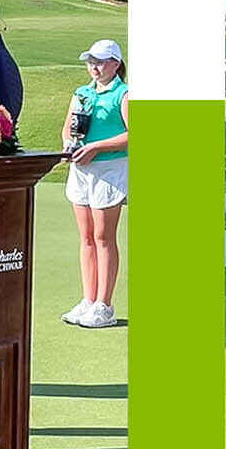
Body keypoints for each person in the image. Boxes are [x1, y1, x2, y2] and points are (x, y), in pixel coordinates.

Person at [60, 39, 128, 329]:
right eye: (90, 62)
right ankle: (88, 300)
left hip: (109, 169)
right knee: (86, 236)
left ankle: (104, 305)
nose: (94, 67)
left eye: (100, 62)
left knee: (103, 236)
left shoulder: (124, 94)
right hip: (81, 169)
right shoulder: (81, 93)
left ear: (115, 64)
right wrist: (69, 146)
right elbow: (67, 129)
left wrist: (97, 147)